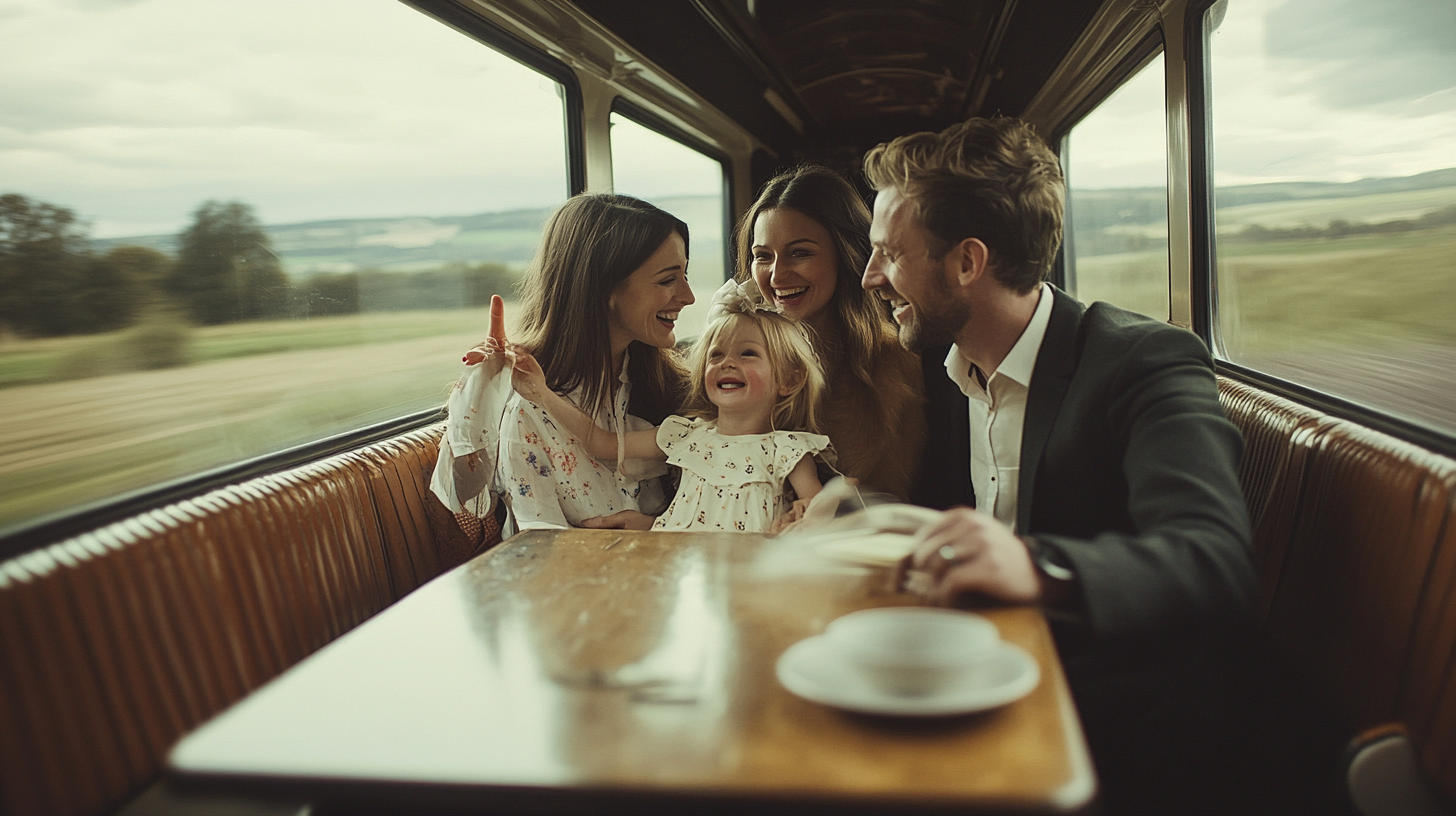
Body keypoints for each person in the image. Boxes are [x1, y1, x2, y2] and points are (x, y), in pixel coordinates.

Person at [860, 116, 1260, 812]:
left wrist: (1037, 567)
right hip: (985, 667)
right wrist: (852, 520)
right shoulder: (949, 369)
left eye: (889, 254)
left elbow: (1213, 558)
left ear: (966, 262)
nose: (871, 277)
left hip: (1121, 719)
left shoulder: (1145, 361)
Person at [445, 193, 696, 533]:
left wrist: (655, 531)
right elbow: (529, 545)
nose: (688, 296)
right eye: (668, 279)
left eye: (685, 275)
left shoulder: (672, 390)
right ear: (605, 288)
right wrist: (477, 397)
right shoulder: (529, 410)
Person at [507, 280, 831, 533]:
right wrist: (542, 394)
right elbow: (600, 442)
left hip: (746, 570)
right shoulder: (683, 434)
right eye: (716, 356)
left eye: (748, 354)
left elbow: (822, 510)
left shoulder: (786, 449)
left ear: (789, 379)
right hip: (677, 562)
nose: (727, 363)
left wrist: (806, 513)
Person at [736, 165, 927, 501]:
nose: (777, 276)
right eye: (762, 256)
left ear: (847, 255)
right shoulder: (733, 362)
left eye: (800, 253)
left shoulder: (896, 364)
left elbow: (895, 502)